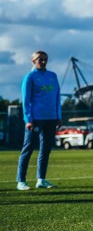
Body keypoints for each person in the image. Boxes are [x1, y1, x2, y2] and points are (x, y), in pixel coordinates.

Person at [16, 51, 61, 191]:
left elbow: (57, 97)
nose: (43, 61)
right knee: (28, 149)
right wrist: (28, 119)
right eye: (40, 59)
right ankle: (21, 181)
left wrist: (58, 115)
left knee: (46, 150)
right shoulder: (30, 77)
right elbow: (26, 101)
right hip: (35, 119)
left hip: (51, 118)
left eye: (45, 59)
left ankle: (41, 179)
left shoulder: (53, 76)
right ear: (33, 61)